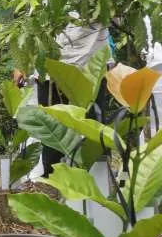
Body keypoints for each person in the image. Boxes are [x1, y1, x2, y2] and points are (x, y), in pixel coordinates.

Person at [12, 16, 111, 177]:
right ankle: (53, 181)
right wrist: (21, 64)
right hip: (50, 70)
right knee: (52, 130)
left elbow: (117, 16)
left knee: (94, 130)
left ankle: (99, 185)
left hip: (90, 68)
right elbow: (31, 27)